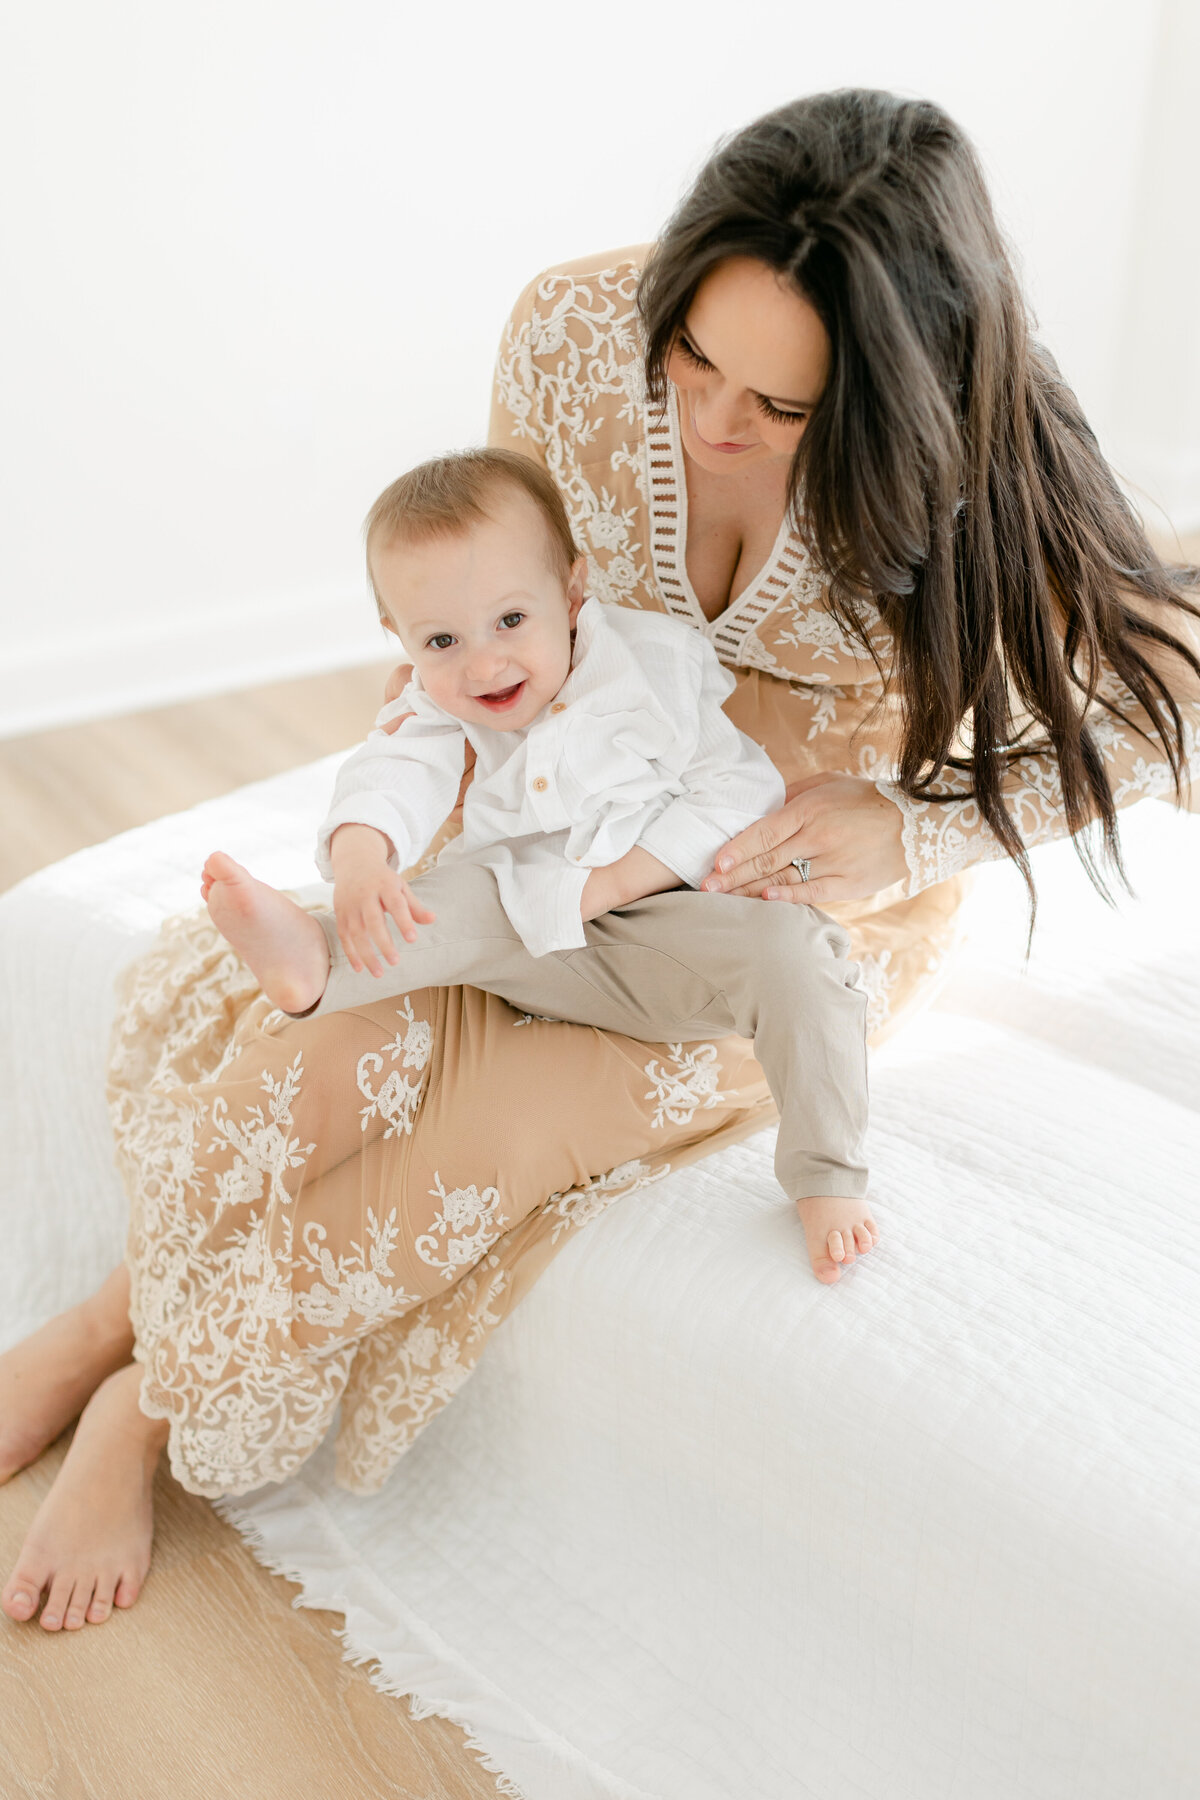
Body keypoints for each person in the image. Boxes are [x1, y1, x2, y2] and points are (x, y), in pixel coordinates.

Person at [2, 87, 1197, 1637]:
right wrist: (405, 797)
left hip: (768, 896)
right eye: (696, 362)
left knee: (485, 1126)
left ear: (887, 395)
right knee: (319, 1052)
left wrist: (904, 826)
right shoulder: (573, 330)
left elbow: (1159, 711)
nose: (714, 422)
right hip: (538, 829)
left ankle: (140, 1402)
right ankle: (107, 1320)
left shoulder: (982, 449)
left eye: (778, 409)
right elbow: (489, 604)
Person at [202, 445, 875, 1248]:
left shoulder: (650, 666)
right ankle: (312, 959)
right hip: (526, 939)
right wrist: (361, 857)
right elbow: (395, 769)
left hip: (675, 931)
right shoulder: (434, 699)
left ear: (573, 590)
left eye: (511, 622)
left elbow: (735, 792)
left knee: (800, 953)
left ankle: (826, 1174)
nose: (483, 663)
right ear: (398, 635)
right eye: (441, 641)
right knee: (445, 899)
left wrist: (609, 884)